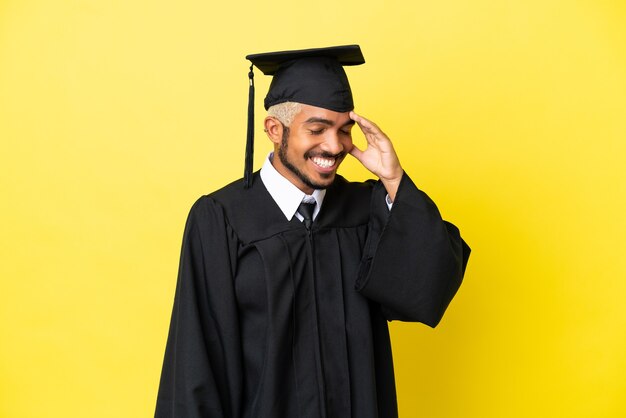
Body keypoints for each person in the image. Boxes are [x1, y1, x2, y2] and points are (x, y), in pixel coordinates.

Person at [155, 45, 470, 418]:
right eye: (317, 129)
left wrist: (394, 180)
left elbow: (428, 287)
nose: (334, 146)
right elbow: (196, 360)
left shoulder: (366, 209)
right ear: (275, 130)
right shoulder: (222, 218)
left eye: (344, 130)